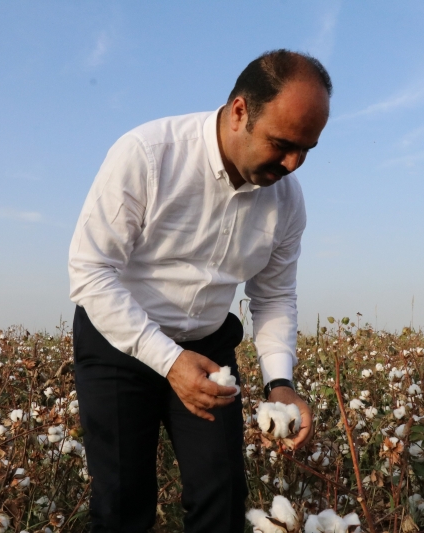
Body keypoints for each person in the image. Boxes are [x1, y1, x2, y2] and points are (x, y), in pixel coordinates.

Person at [68, 49, 331, 533]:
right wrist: (168, 360)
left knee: (223, 498)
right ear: (239, 112)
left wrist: (281, 384)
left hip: (208, 346)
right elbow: (91, 271)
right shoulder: (147, 154)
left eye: (307, 149)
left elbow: (272, 296)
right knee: (123, 503)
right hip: (118, 343)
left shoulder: (287, 202)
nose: (293, 163)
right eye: (282, 143)